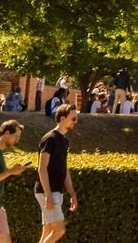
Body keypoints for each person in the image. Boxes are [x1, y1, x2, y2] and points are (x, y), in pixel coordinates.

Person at [36, 101, 79, 242]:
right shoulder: (50, 139)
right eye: (73, 119)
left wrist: (72, 193)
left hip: (55, 191)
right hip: (47, 191)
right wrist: (48, 195)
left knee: (47, 231)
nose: (75, 122)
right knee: (59, 230)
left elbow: (63, 168)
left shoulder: (64, 141)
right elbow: (41, 168)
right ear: (62, 119)